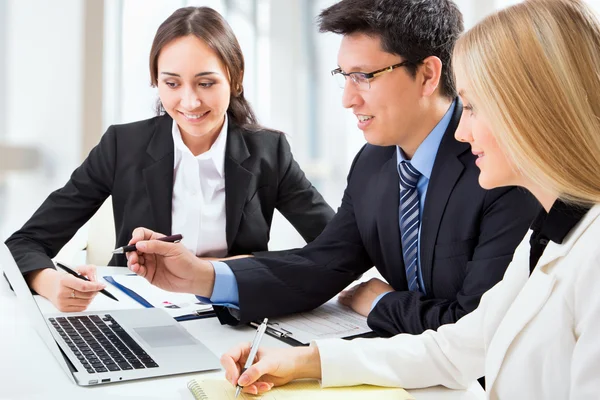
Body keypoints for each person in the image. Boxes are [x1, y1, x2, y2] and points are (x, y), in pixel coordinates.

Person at [219, 0, 600, 397]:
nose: (461, 131)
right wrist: (304, 361)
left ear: (535, 110)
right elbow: (457, 348)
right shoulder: (549, 233)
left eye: (472, 107)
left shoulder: (588, 254)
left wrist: (384, 305)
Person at [126, 0, 538, 337]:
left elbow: (474, 327)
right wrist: (202, 277)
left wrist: (380, 302)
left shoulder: (500, 163)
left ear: (428, 74)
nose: (348, 99)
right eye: (345, 76)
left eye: (364, 76)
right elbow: (323, 264)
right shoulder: (374, 162)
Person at [4, 6, 334, 312]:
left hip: (236, 316)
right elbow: (25, 242)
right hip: (136, 314)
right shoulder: (123, 145)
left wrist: (241, 264)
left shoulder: (269, 151)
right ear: (156, 80)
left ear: (235, 77)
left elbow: (338, 246)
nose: (189, 101)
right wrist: (49, 282)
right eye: (172, 83)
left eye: (206, 83)